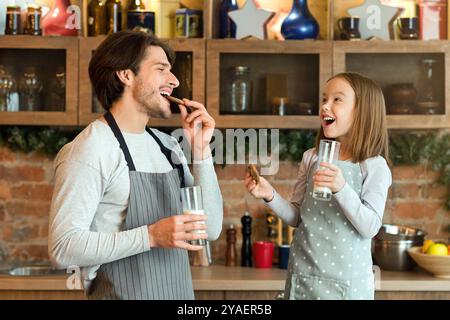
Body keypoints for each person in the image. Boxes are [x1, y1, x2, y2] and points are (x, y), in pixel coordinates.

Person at [48, 30, 223, 300]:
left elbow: (209, 229)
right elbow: (63, 247)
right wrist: (151, 236)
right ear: (126, 75)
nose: (174, 81)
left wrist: (201, 152)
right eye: (161, 69)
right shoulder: (90, 149)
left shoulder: (168, 146)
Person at [245, 72, 392, 300]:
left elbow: (370, 226)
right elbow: (297, 216)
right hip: (302, 276)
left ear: (362, 111)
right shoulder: (312, 158)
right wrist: (269, 195)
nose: (325, 106)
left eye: (337, 99)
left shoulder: (374, 166)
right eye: (324, 98)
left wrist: (341, 188)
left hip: (348, 285)